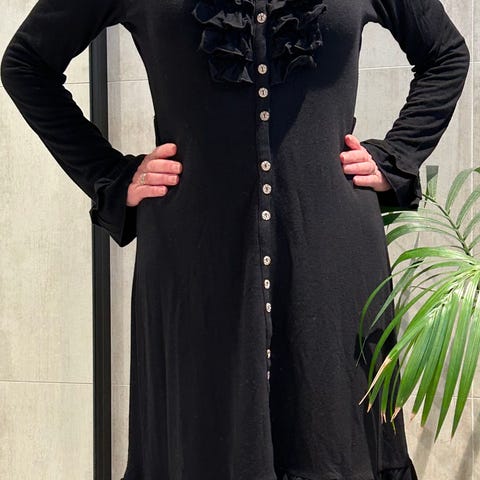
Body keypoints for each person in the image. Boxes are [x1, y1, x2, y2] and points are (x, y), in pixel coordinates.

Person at [0, 0, 469, 478]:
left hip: (331, 253)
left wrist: (397, 157)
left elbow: (445, 53)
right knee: (203, 438)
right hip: (195, 260)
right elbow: (27, 64)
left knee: (333, 440)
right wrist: (111, 176)